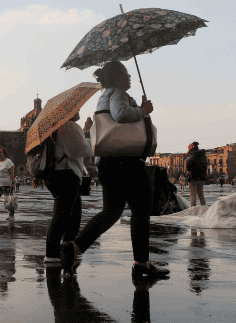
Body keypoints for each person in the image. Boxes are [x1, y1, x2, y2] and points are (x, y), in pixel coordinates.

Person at [63, 62, 169, 279]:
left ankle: (76, 247)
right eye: (126, 74)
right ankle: (141, 263)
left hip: (108, 163)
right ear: (118, 77)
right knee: (141, 210)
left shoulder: (104, 95)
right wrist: (142, 110)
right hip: (127, 161)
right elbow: (121, 115)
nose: (130, 77)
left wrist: (137, 108)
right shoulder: (118, 94)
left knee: (111, 211)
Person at [43, 111, 92, 264]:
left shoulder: (55, 127)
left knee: (74, 213)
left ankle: (67, 248)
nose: (78, 112)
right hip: (65, 174)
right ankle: (52, 253)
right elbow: (82, 150)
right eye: (76, 110)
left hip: (55, 174)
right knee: (62, 214)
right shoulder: (70, 126)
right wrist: (89, 140)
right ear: (69, 112)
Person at [185, 142, 208, 206]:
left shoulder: (193, 155)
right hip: (202, 177)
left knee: (193, 195)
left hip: (193, 177)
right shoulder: (203, 155)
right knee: (201, 194)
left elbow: (188, 166)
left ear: (191, 148)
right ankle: (204, 209)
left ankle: (193, 211)